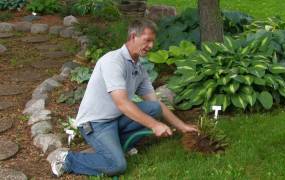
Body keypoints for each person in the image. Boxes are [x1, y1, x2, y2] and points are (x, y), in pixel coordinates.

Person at [51, 18, 198, 177]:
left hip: (116, 119)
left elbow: (155, 102)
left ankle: (117, 148)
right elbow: (122, 103)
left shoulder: (138, 67)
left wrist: (182, 126)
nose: (151, 46)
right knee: (117, 165)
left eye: (153, 42)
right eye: (147, 40)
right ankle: (68, 159)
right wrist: (155, 125)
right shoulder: (113, 61)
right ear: (133, 36)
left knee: (154, 108)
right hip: (95, 124)